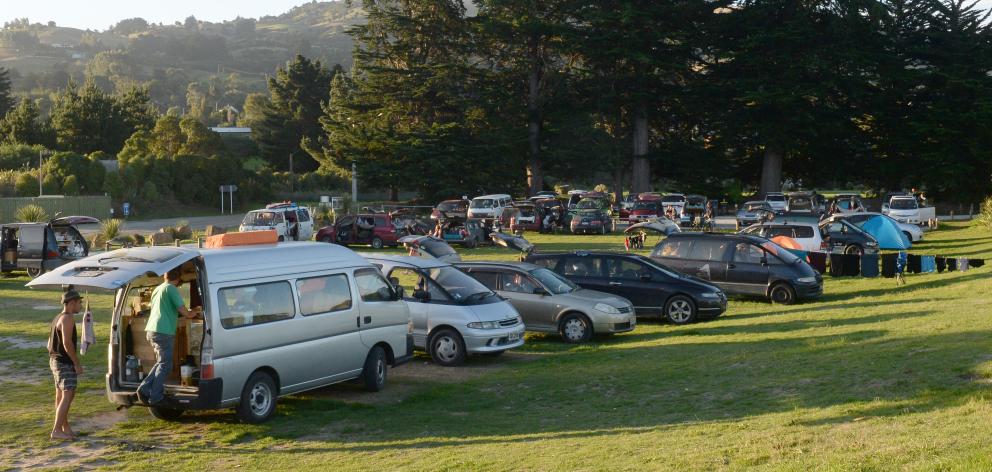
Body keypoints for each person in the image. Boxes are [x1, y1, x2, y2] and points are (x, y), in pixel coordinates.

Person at [136, 267, 201, 406]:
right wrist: (195, 312)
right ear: (177, 279)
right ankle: (155, 396)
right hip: (163, 331)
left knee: (161, 363)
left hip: (152, 330)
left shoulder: (158, 288)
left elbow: (166, 310)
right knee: (166, 365)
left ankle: (144, 389)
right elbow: (185, 312)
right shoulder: (171, 289)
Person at [48, 289, 84, 440]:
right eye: (79, 303)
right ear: (71, 303)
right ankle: (56, 430)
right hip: (64, 363)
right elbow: (67, 343)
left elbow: (49, 343)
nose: (80, 306)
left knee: (61, 395)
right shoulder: (68, 319)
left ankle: (64, 427)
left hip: (55, 361)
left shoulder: (58, 317)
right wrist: (76, 363)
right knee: (68, 395)